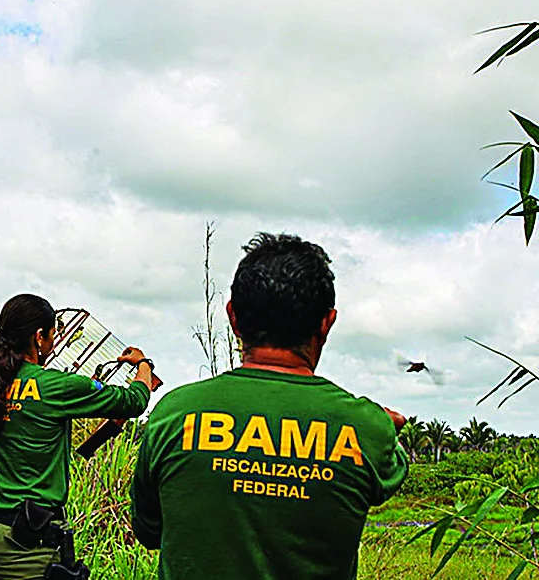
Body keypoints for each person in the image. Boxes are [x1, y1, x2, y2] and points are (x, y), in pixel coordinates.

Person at [131, 233, 410, 580]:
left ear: (233, 316)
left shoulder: (174, 412)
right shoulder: (365, 428)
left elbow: (148, 531)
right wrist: (377, 427)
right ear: (327, 322)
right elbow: (388, 473)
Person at [0, 294, 158, 580]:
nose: (55, 341)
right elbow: (133, 400)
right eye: (53, 333)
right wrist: (144, 365)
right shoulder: (53, 386)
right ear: (39, 336)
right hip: (25, 546)